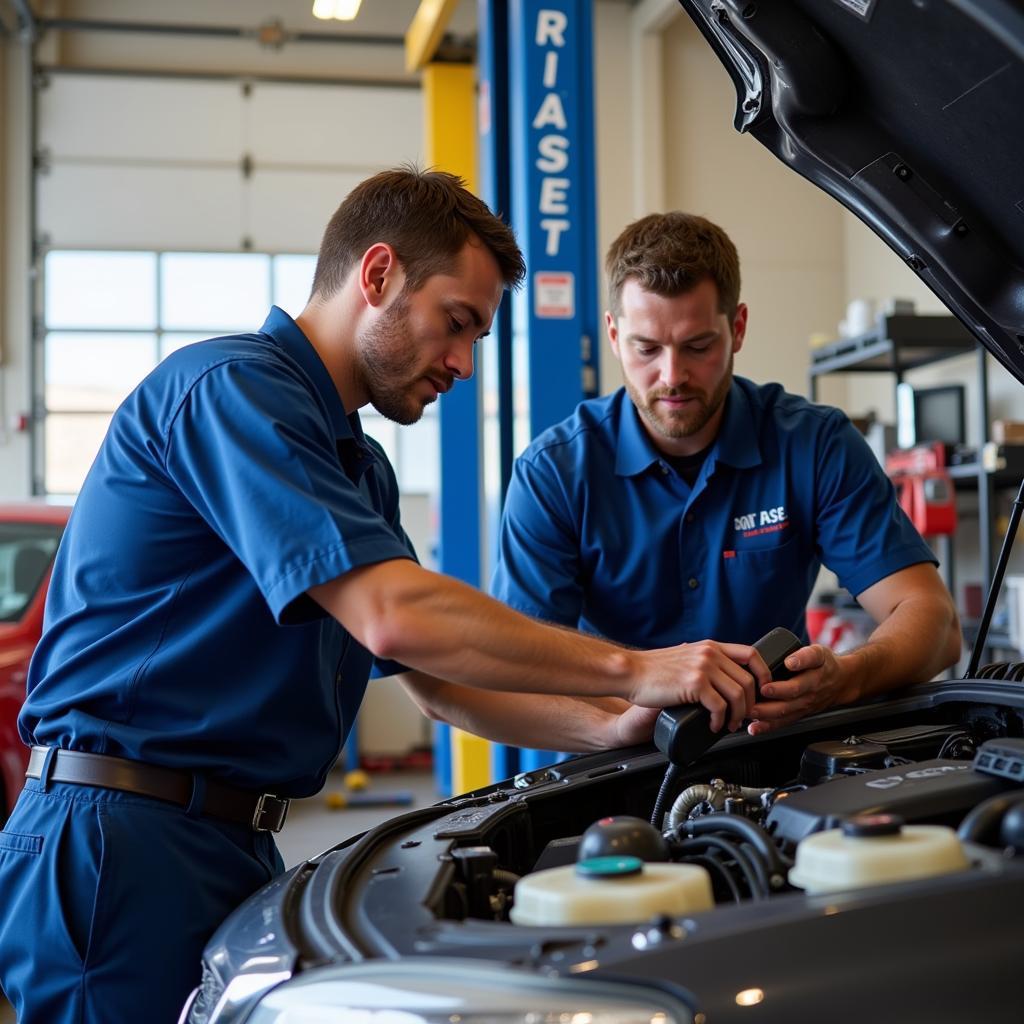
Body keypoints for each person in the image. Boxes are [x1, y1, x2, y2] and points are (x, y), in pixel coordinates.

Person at [0, 172, 776, 1024]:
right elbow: (398, 613)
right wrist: (637, 670)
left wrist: (607, 725)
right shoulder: (231, 390)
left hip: (228, 839)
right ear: (377, 276)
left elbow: (431, 674)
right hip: (121, 836)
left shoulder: (354, 465)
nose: (463, 363)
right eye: (457, 323)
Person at [492, 211, 961, 736]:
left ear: (736, 328)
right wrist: (633, 712)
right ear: (613, 334)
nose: (672, 377)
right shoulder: (553, 472)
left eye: (697, 347)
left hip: (775, 756)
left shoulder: (813, 444)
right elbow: (519, 668)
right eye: (646, 348)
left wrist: (846, 678)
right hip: (613, 760)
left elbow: (934, 624)